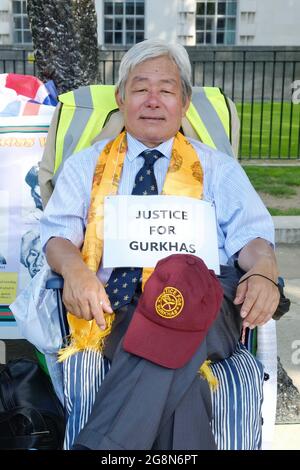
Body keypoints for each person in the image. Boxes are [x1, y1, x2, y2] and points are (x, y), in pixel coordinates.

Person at [40, 39, 280, 449]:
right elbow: (57, 237)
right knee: (176, 366)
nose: (153, 100)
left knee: (178, 306)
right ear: (121, 98)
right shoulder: (86, 166)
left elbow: (253, 239)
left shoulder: (217, 169)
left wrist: (263, 271)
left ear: (184, 103)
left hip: (205, 303)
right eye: (141, 88)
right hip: (114, 304)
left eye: (166, 90)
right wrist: (76, 269)